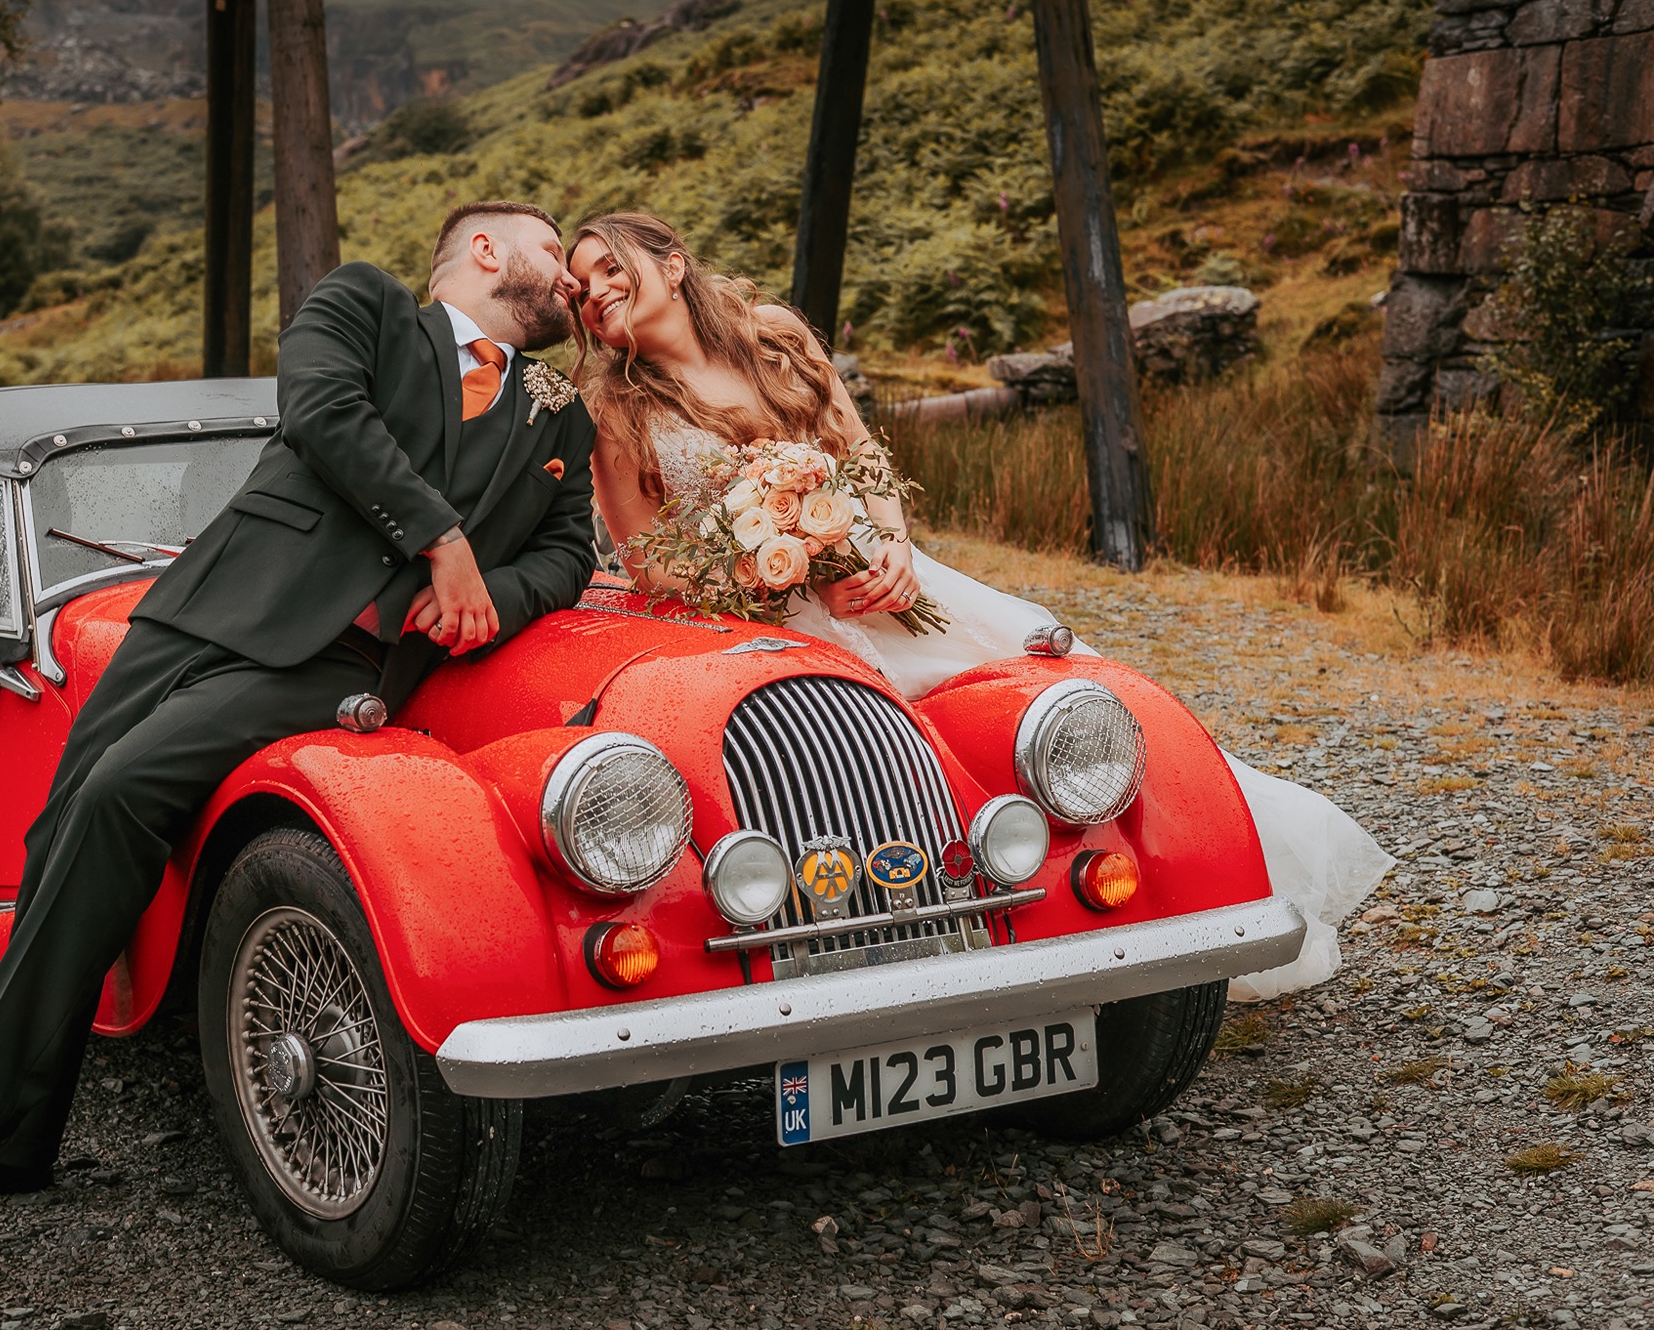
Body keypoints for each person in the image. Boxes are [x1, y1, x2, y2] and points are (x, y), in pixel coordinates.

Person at [0, 201, 599, 1227]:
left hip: (341, 657)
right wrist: (442, 535)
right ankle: (24, 1137)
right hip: (199, 613)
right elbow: (323, 413)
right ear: (484, 249)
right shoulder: (365, 305)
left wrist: (484, 598)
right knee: (61, 829)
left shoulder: (557, 412)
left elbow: (565, 553)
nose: (567, 276)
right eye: (553, 250)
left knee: (117, 795)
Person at [565, 210, 1392, 1002]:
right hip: (764, 621)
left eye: (610, 266)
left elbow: (863, 458)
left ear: (672, 265)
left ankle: (1181, 887)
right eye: (580, 286)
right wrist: (771, 571)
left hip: (893, 582)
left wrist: (889, 547)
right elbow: (649, 562)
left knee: (1053, 698)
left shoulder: (772, 333)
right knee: (895, 755)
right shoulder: (615, 403)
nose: (596, 288)